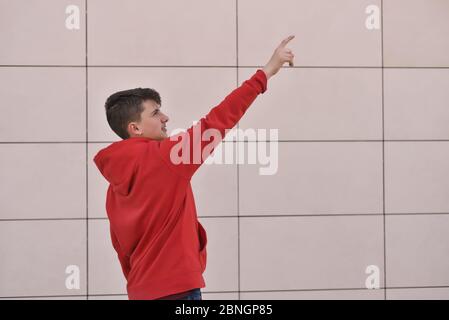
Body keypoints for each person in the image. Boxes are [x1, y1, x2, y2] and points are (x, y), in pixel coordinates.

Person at [93, 35, 295, 300]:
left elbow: (122, 249)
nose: (165, 118)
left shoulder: (113, 188)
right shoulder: (165, 157)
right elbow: (218, 120)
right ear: (135, 128)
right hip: (177, 289)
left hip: (141, 292)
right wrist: (267, 71)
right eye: (155, 113)